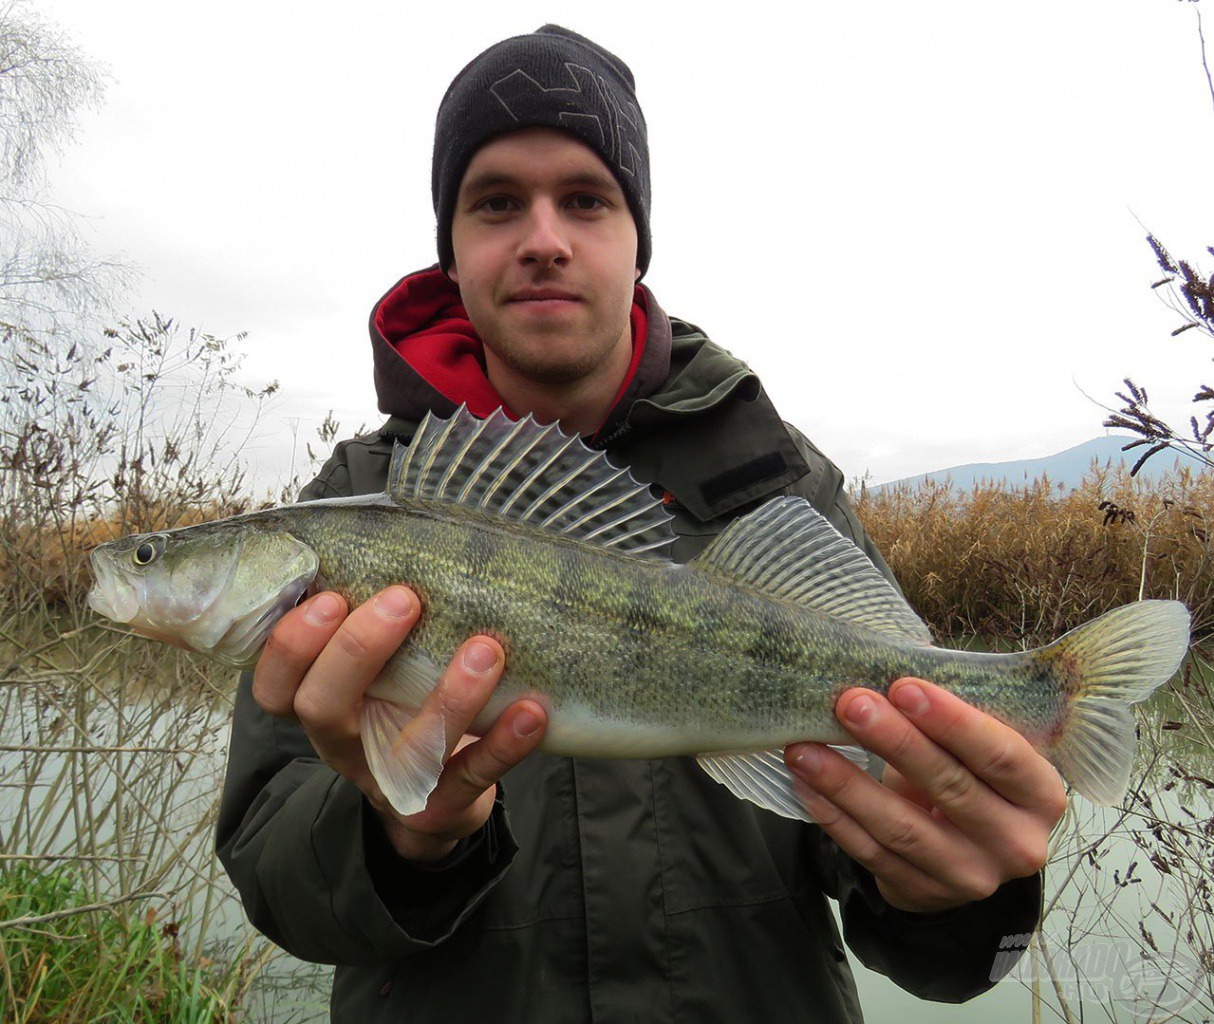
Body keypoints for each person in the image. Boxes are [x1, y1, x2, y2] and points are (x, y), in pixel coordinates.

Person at [217, 25, 1065, 1023]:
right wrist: (400, 837)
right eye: (494, 202)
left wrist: (962, 893)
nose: (543, 236)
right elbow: (274, 877)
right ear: (450, 248)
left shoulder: (776, 484)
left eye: (584, 198)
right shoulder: (360, 503)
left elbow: (919, 913)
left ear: (635, 238)